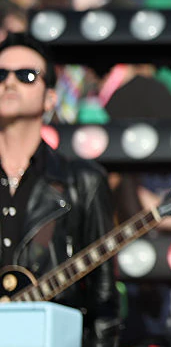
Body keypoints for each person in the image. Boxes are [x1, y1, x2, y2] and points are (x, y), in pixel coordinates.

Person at [0, 32, 120, 347]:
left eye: (25, 76)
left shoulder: (82, 181)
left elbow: (103, 298)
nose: (9, 83)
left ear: (50, 99)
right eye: (0, 75)